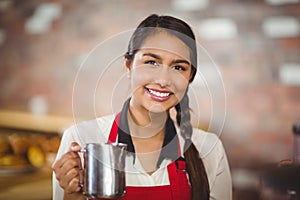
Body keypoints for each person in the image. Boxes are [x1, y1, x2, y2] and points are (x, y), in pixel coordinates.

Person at [52, 14, 232, 200]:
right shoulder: (82, 141)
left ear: (189, 78)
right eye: (151, 62)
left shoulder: (209, 149)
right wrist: (71, 196)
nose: (163, 80)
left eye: (178, 68)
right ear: (128, 65)